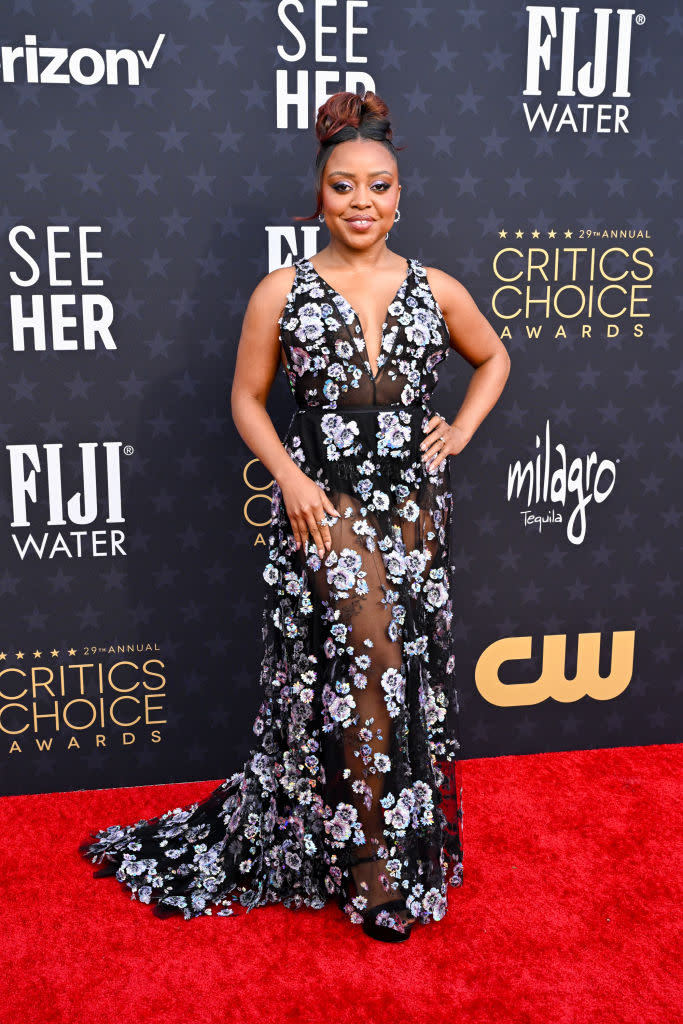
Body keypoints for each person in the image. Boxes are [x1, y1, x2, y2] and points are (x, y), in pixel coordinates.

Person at [79, 89, 510, 943]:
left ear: (401, 196)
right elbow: (245, 399)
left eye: (378, 186)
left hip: (416, 513)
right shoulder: (281, 291)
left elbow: (494, 355)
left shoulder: (438, 289)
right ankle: (372, 873)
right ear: (318, 194)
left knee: (396, 678)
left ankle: (379, 847)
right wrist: (287, 477)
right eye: (343, 185)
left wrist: (458, 430)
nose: (361, 202)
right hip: (325, 506)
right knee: (365, 663)